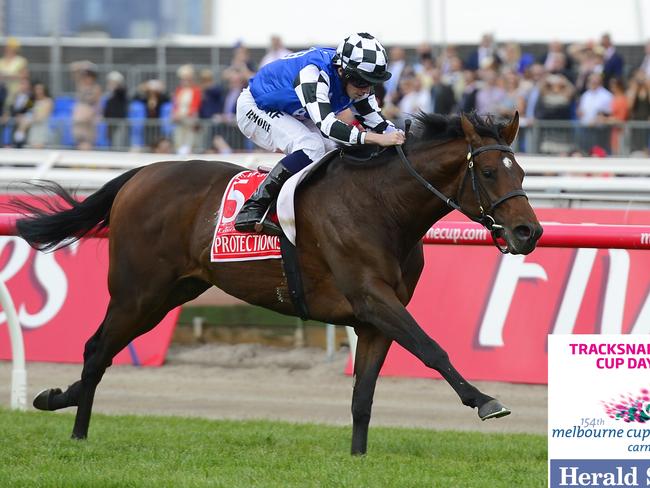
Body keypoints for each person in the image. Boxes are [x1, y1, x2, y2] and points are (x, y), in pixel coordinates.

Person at [234, 32, 405, 235]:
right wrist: (376, 138)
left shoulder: (357, 83)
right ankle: (254, 207)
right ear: (342, 71)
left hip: (291, 110)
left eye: (371, 83)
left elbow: (379, 124)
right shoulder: (313, 73)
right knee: (311, 146)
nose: (366, 90)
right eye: (361, 82)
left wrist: (403, 137)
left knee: (332, 150)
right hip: (255, 105)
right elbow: (328, 126)